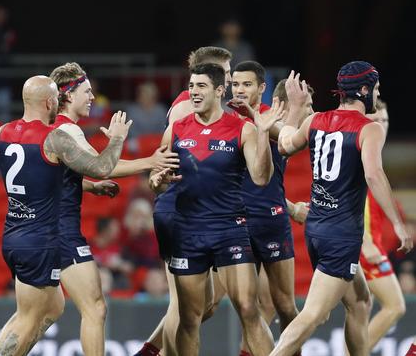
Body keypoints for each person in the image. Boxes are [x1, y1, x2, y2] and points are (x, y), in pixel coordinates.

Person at [0, 75, 132, 356]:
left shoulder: (3, 132)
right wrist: (118, 138)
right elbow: (100, 166)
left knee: (52, 307)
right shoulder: (54, 137)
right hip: (40, 240)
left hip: (13, 236)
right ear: (50, 102)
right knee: (29, 318)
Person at [271, 62, 413, 356]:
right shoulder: (369, 129)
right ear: (363, 90)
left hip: (316, 229)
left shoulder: (316, 121)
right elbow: (374, 175)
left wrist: (296, 108)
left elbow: (284, 144)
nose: (376, 93)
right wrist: (399, 225)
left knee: (361, 301)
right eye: (374, 88)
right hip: (342, 236)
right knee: (313, 315)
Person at [47, 62, 178, 356]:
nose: (92, 97)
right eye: (87, 91)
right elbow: (104, 167)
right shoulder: (67, 131)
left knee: (33, 319)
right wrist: (149, 160)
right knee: (95, 308)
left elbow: (61, 179)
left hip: (41, 230)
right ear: (68, 95)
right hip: (61, 232)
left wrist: (91, 187)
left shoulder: (55, 131)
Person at [160, 63, 282, 356]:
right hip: (188, 231)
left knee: (249, 309)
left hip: (230, 228)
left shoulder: (243, 128)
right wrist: (156, 180)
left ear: (219, 90)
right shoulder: (178, 128)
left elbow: (261, 177)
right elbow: (160, 179)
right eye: (191, 86)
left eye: (200, 86)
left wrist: (264, 135)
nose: (193, 92)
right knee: (190, 318)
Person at [134, 46, 234, 356]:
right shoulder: (183, 111)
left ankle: (152, 351)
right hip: (181, 211)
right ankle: (151, 352)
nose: (230, 79)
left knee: (209, 303)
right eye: (227, 73)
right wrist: (158, 178)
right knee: (185, 307)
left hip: (202, 212)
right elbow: (163, 164)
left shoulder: (216, 111)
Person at [219, 61, 314, 356]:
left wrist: (298, 109)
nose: (240, 90)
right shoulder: (223, 123)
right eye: (236, 84)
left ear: (262, 88)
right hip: (233, 224)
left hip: (270, 220)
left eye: (247, 84)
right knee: (248, 307)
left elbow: (285, 139)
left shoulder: (270, 123)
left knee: (283, 304)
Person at [358, 99, 407, 352]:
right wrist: (366, 243)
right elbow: (353, 201)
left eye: (385, 120)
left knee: (361, 310)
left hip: (367, 243)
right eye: (377, 120)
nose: (382, 126)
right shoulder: (364, 151)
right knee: (395, 305)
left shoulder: (373, 151)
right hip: (362, 246)